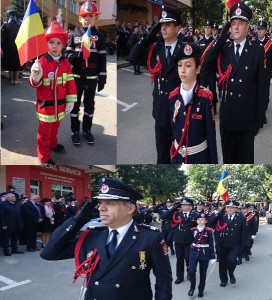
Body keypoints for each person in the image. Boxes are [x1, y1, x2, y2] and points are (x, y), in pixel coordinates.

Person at [41, 178, 172, 300]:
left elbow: (163, 281)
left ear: (130, 208)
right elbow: (49, 253)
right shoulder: (91, 236)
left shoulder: (149, 237)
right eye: (100, 203)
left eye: (110, 203)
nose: (101, 208)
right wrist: (76, 220)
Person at [201, 3, 266, 163]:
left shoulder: (256, 50)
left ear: (247, 26)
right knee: (229, 163)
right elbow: (205, 67)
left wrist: (258, 121)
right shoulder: (224, 48)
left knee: (245, 161)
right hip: (227, 118)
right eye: (233, 23)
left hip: (246, 120)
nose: (236, 28)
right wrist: (221, 37)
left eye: (241, 23)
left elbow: (263, 88)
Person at [129, 6, 184, 163]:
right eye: (161, 24)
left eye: (168, 24)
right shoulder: (155, 49)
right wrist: (151, 34)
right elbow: (133, 58)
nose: (164, 27)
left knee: (180, 156)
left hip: (179, 113)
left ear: (177, 27)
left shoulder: (185, 50)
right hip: (160, 111)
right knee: (162, 157)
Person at [29, 20, 77, 165]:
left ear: (63, 45)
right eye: (51, 42)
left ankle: (53, 144)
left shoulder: (65, 64)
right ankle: (43, 156)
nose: (55, 46)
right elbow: (34, 84)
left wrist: (71, 100)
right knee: (44, 133)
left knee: (55, 128)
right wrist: (35, 76)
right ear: (46, 44)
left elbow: (70, 83)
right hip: (46, 107)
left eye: (58, 43)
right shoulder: (41, 62)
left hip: (61, 106)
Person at [65, 0, 107, 146]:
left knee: (89, 106)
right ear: (79, 18)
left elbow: (102, 58)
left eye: (90, 16)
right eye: (84, 16)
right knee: (75, 106)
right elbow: (67, 52)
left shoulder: (100, 37)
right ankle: (74, 131)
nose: (87, 19)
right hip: (76, 77)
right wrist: (73, 58)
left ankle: (87, 130)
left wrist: (103, 78)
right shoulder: (74, 34)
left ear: (96, 17)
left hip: (92, 78)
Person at [168, 42, 218, 163]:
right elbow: (172, 131)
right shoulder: (172, 96)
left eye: (188, 65)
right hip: (177, 157)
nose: (183, 70)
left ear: (198, 69)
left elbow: (211, 136)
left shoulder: (206, 98)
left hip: (199, 157)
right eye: (180, 65)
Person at [208, 200, 246, 287]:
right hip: (222, 244)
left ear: (237, 208)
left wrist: (243, 247)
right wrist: (220, 213)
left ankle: (231, 273)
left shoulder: (241, 218)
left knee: (232, 261)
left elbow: (244, 233)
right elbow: (209, 224)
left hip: (235, 244)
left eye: (232, 207)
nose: (230, 209)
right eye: (228, 207)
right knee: (222, 263)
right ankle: (223, 279)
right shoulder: (221, 216)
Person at [169, 198, 198, 284]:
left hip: (190, 240)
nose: (183, 206)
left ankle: (190, 273)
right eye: (182, 205)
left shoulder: (195, 215)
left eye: (185, 205)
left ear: (190, 206)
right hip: (178, 240)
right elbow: (164, 216)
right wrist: (176, 206)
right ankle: (179, 277)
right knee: (179, 259)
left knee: (189, 258)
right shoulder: (176, 214)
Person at [188, 213, 216, 298]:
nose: (200, 221)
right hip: (193, 252)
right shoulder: (192, 230)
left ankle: (201, 290)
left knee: (203, 273)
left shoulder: (209, 230)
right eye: (199, 219)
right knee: (191, 271)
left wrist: (212, 256)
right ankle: (192, 287)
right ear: (196, 221)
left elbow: (211, 244)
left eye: (202, 220)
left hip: (205, 253)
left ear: (206, 221)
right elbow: (189, 242)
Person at [1, 10, 22, 85]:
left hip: (8, 48)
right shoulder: (20, 24)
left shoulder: (5, 24)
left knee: (10, 64)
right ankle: (16, 80)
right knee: (17, 65)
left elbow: (2, 38)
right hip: (18, 48)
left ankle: (12, 79)